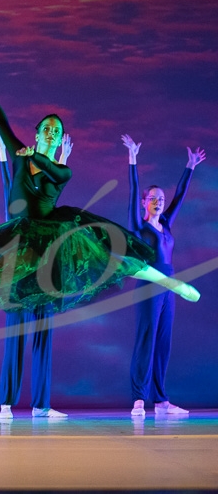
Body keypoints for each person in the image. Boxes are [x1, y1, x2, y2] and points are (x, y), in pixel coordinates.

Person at [0, 72, 200, 378]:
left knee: (114, 261)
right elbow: (2, 126)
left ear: (58, 140)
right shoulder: (21, 156)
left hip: (53, 236)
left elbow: (52, 172)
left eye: (56, 131)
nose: (51, 133)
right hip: (23, 237)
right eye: (46, 128)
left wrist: (35, 156)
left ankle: (173, 284)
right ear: (37, 134)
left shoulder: (62, 170)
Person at [121, 134, 206, 417]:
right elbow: (133, 190)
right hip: (149, 286)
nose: (158, 202)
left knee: (163, 343)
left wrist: (190, 166)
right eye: (153, 199)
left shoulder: (166, 224)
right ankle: (139, 399)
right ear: (144, 203)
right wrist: (133, 158)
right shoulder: (139, 226)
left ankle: (161, 400)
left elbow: (180, 196)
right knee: (146, 339)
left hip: (170, 286)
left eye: (161, 199)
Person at [0, 126, 73, 419]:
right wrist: (2, 152)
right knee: (15, 334)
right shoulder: (17, 189)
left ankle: (41, 405)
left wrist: (62, 159)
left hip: (43, 267)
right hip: (17, 266)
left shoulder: (45, 192)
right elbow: (8, 182)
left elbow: (54, 189)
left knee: (42, 334)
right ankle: (6, 404)